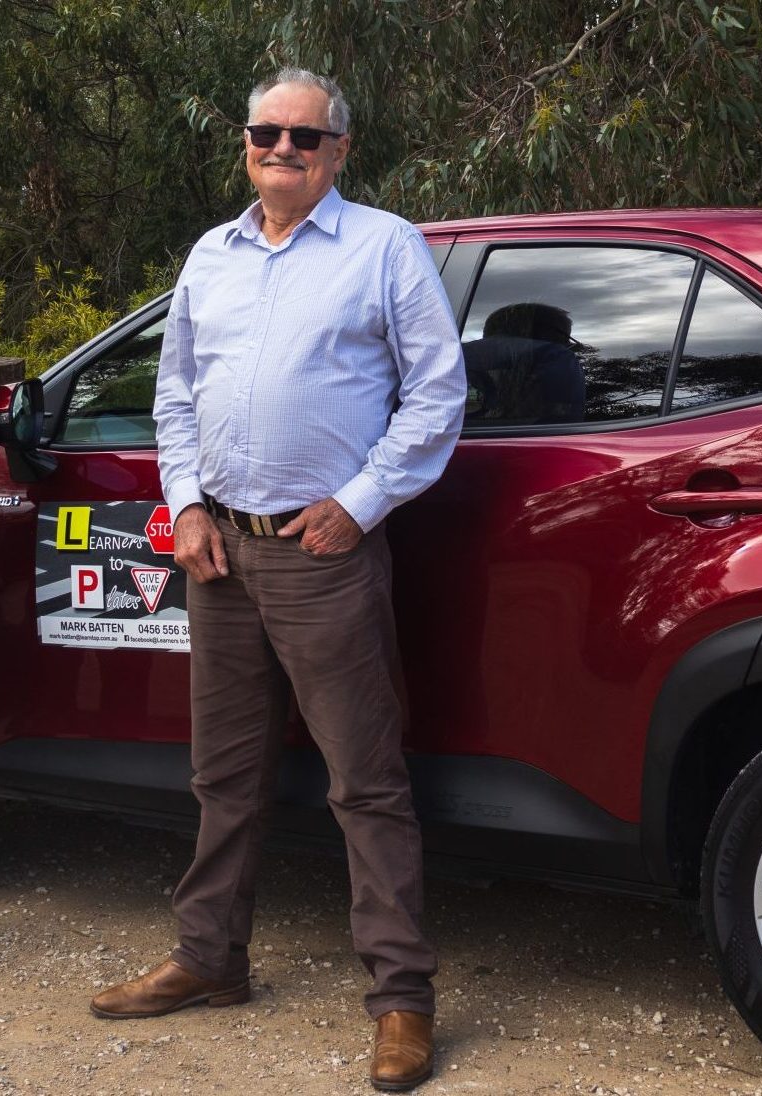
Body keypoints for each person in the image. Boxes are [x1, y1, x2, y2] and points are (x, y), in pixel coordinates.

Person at [89, 70, 467, 1092]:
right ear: (245, 143)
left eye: (306, 135)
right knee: (223, 773)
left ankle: (400, 997)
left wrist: (361, 501)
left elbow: (437, 392)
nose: (284, 147)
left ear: (339, 150)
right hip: (218, 553)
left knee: (365, 781)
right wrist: (187, 505)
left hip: (320, 553)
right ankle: (210, 957)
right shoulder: (211, 254)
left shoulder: (383, 246)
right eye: (267, 131)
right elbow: (175, 395)